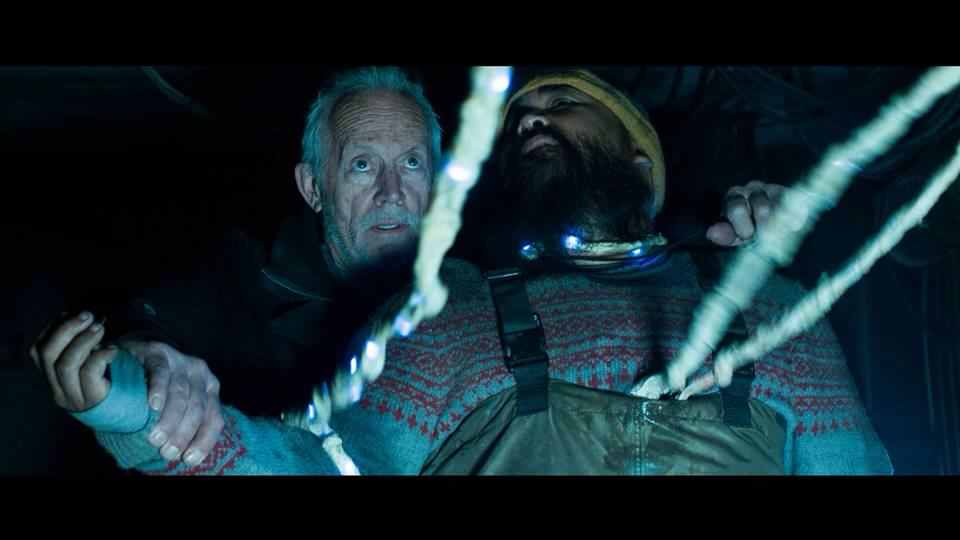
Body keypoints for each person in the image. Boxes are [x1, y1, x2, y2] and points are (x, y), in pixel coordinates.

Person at [42, 68, 889, 475]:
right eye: (519, 119)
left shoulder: (772, 310)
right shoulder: (451, 318)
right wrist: (145, 410)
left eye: (562, 106)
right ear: (312, 186)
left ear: (641, 157)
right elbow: (317, 468)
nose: (530, 122)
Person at [29, 66, 442, 468]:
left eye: (411, 163)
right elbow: (148, 315)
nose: (392, 192)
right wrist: (143, 359)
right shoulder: (245, 280)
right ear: (313, 188)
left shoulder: (467, 286)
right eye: (363, 165)